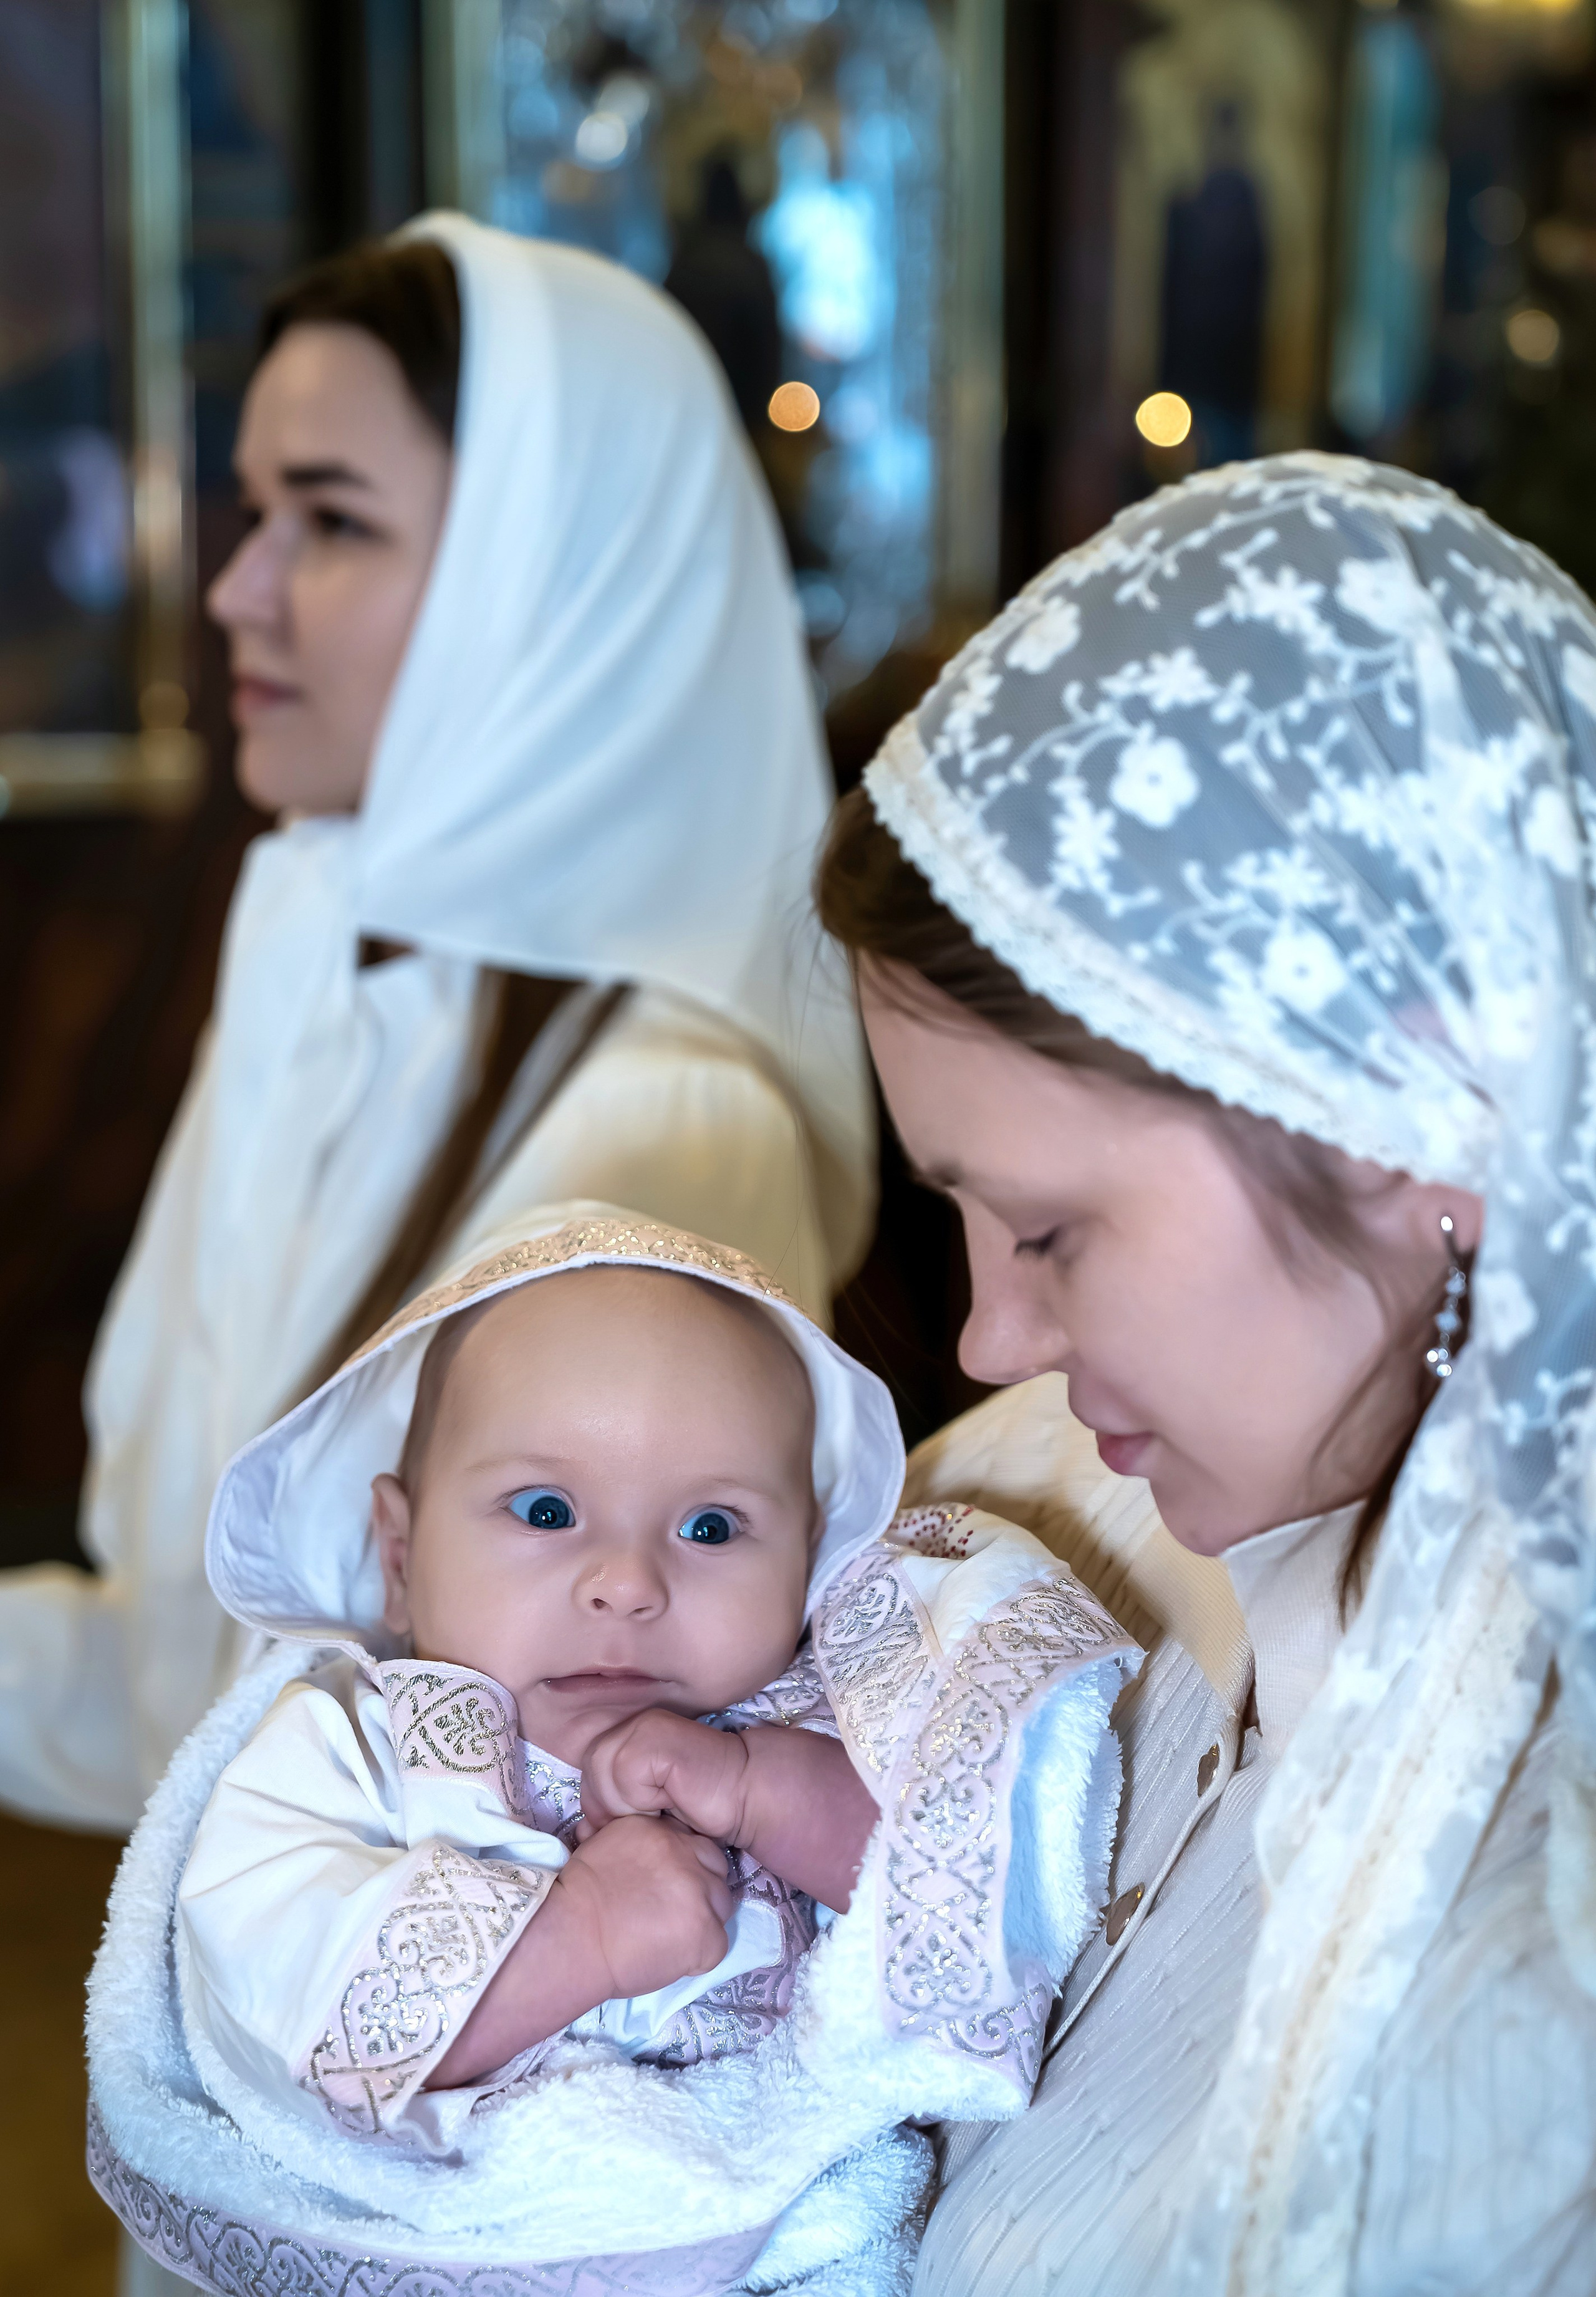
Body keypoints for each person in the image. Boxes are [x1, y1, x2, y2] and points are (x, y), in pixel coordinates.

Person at [815, 452, 1596, 2293]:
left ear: (1413, 1123)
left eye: (1054, 1230)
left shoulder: (1554, 1874)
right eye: (960, 1222)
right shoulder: (1018, 1494)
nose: (992, 1336)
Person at [0, 215, 874, 1834]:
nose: (237, 588)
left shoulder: (674, 1116)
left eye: (327, 519)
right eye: (257, 511)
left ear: (550, 592)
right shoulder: (333, 978)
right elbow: (176, 1689)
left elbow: (556, 1791)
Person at [87, 1210, 1138, 2295]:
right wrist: (580, 1934)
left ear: (810, 1561)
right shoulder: (350, 1747)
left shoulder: (812, 1711)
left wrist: (764, 1787)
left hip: (778, 2240)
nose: (628, 1583)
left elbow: (939, 1882)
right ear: (399, 1557)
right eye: (546, 1510)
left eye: (712, 1528)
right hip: (465, 2241)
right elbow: (301, 2008)